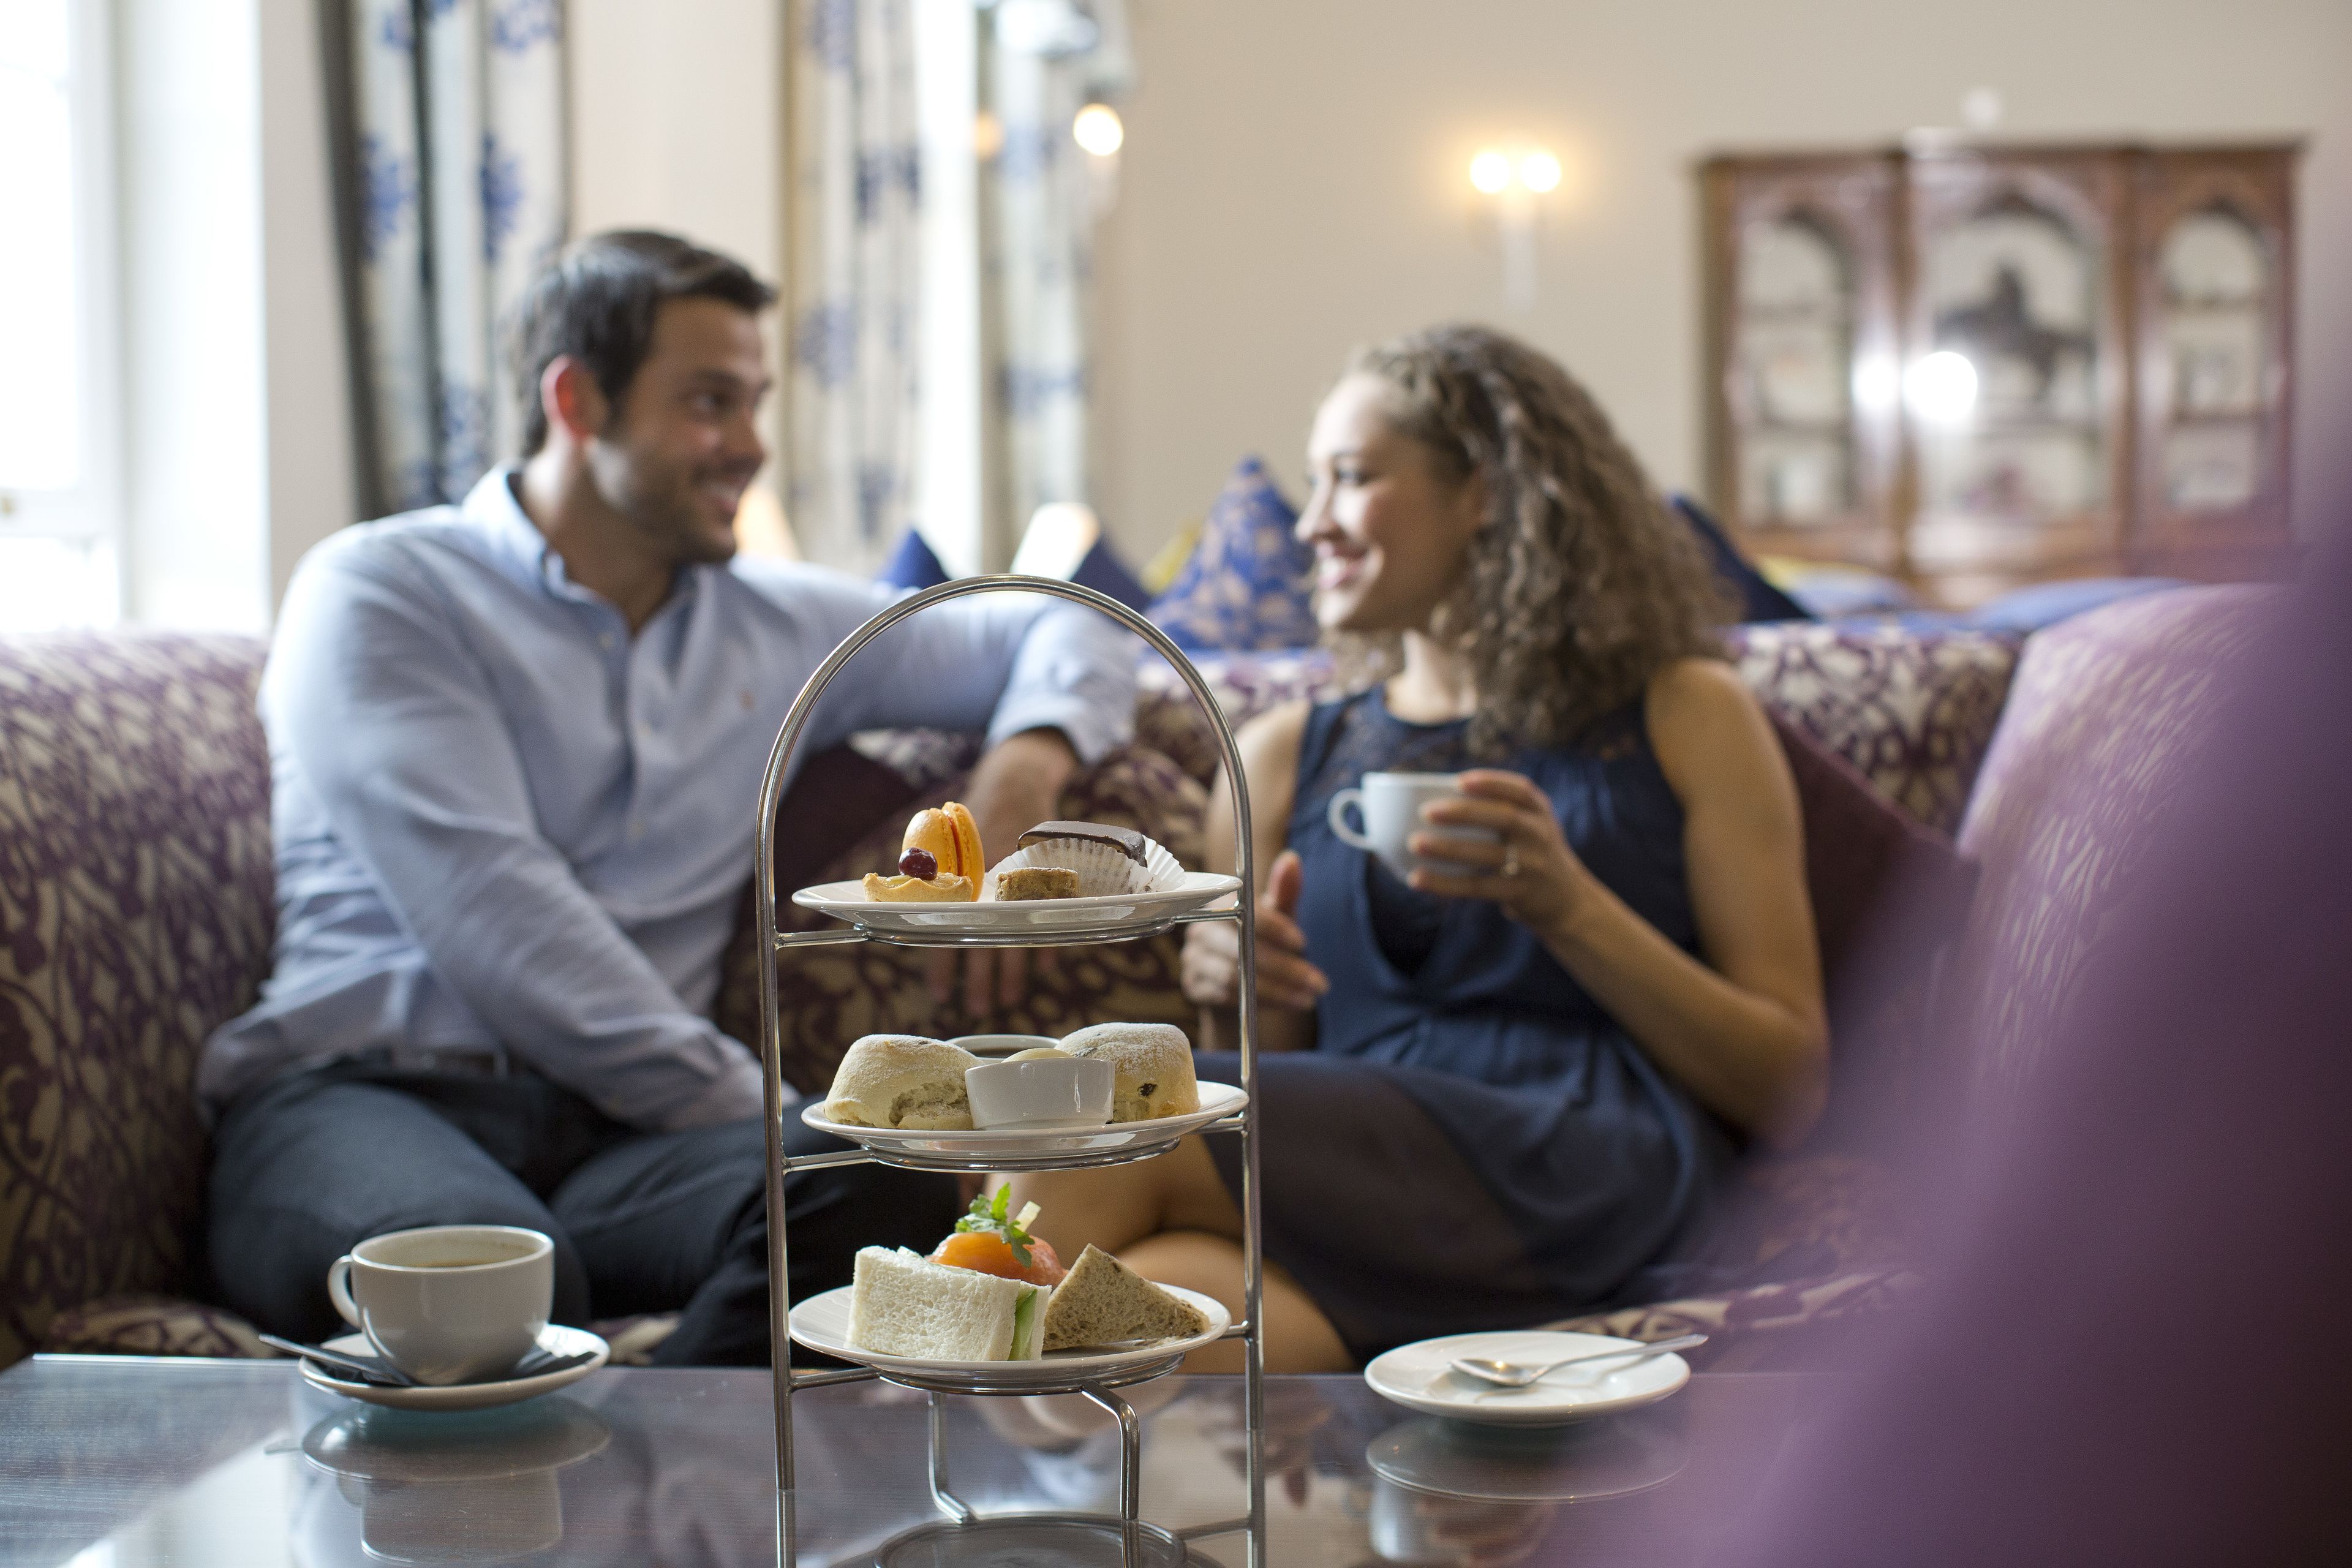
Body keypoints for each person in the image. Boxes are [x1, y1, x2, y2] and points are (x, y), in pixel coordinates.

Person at [200, 231, 1137, 1363]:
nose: (748, 446)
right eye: (708, 403)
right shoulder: (385, 592)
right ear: (576, 399)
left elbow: (1065, 619)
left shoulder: (780, 625)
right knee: (485, 1272)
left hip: (619, 1142)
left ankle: (670, 1513)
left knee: (875, 1193)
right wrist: (771, 1113)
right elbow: (503, 922)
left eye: (755, 403)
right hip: (362, 1101)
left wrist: (1023, 767)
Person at [1007, 326, 1826, 1371]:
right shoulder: (1284, 755)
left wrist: (1569, 907)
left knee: (1089, 1106)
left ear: (1484, 493)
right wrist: (1233, 994)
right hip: (1364, 1192)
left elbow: (1791, 1084)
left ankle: (879, 1470)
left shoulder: (1684, 712)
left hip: (1588, 1161)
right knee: (1142, 1331)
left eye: (1351, 479)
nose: (1313, 525)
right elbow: (1286, 1073)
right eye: (1315, 485)